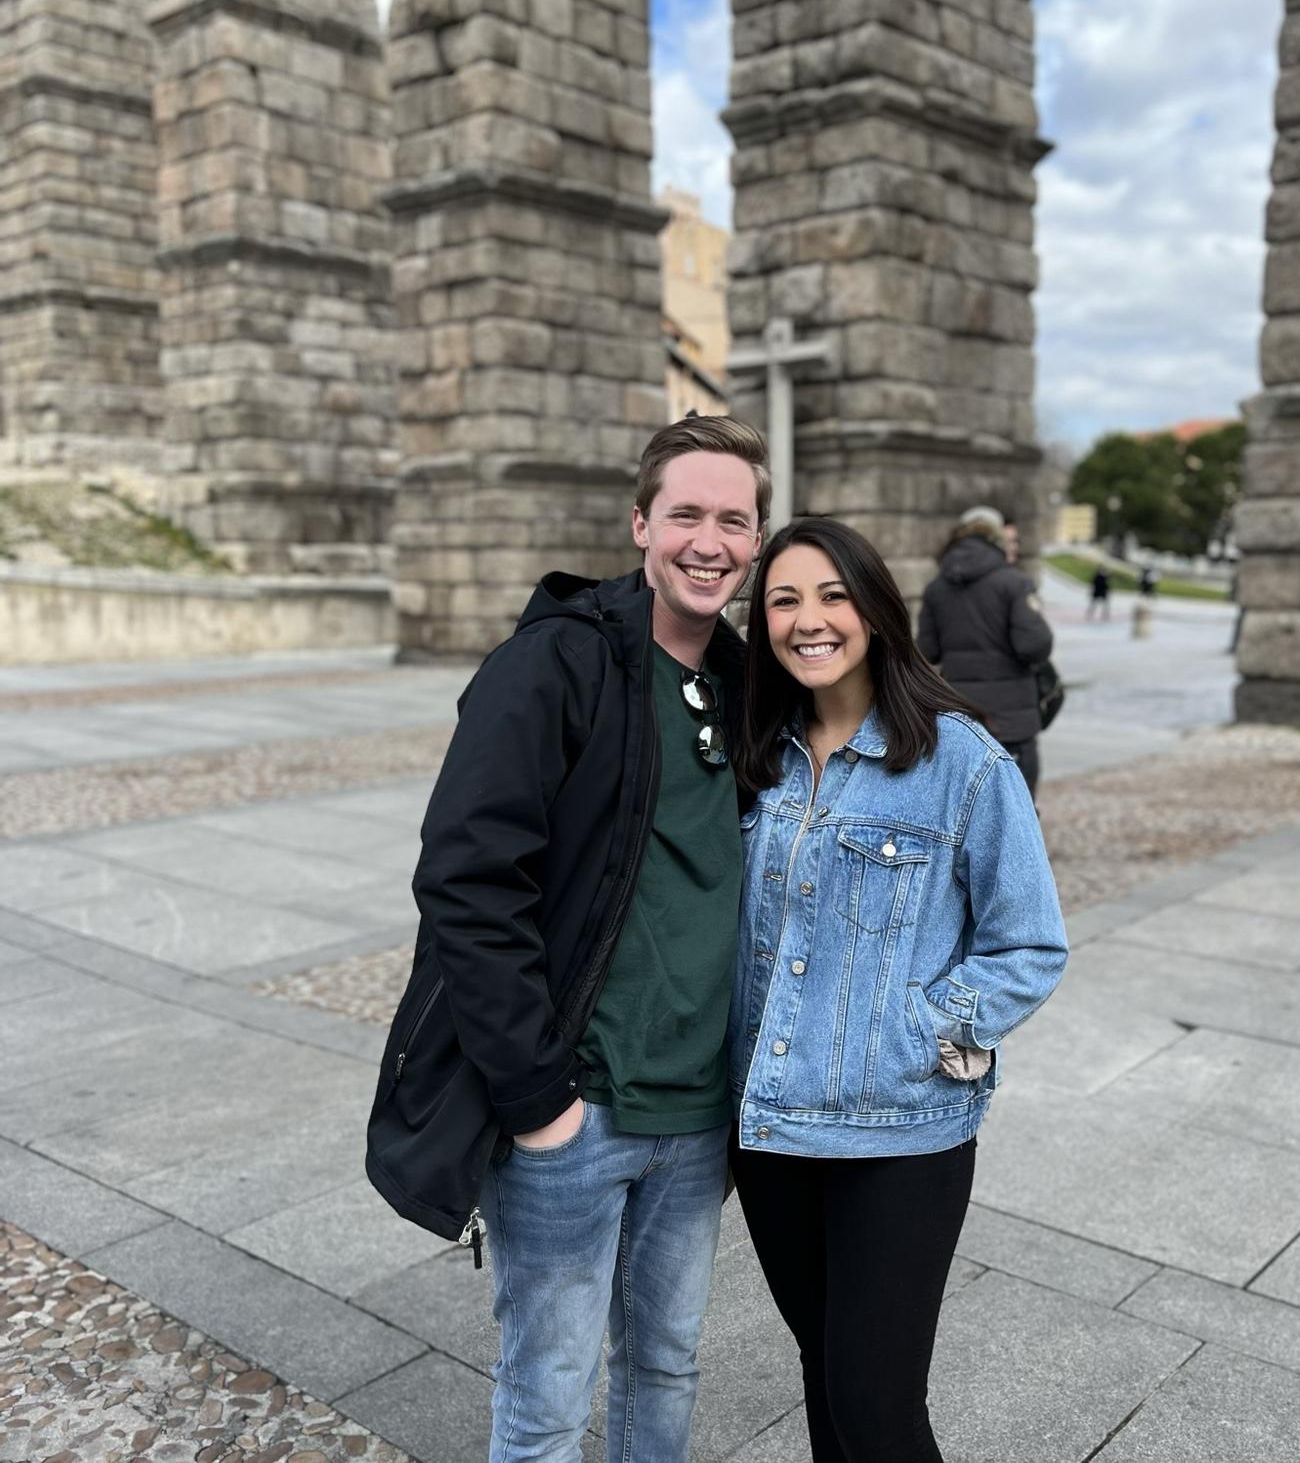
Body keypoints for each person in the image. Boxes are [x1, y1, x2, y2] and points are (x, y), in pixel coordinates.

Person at [365, 415, 770, 1463]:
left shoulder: (747, 685)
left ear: (756, 540)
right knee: (546, 1399)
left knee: (666, 1368)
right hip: (574, 1112)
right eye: (686, 514)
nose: (709, 542)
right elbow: (465, 881)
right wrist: (539, 1101)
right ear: (640, 524)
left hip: (699, 1119)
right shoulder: (555, 663)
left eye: (734, 521)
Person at [730, 517, 1069, 1463]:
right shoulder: (759, 756)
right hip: (771, 1132)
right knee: (825, 1374)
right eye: (784, 601)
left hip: (900, 1134)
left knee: (877, 1409)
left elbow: (1029, 944)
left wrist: (914, 1032)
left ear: (876, 611)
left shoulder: (962, 761)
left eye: (832, 596)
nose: (808, 620)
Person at [917, 506, 1054, 798]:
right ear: (997, 539)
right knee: (1017, 806)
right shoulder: (1014, 582)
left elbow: (928, 650)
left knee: (964, 807)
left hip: (959, 717)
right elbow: (1035, 645)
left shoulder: (936, 588)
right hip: (1012, 723)